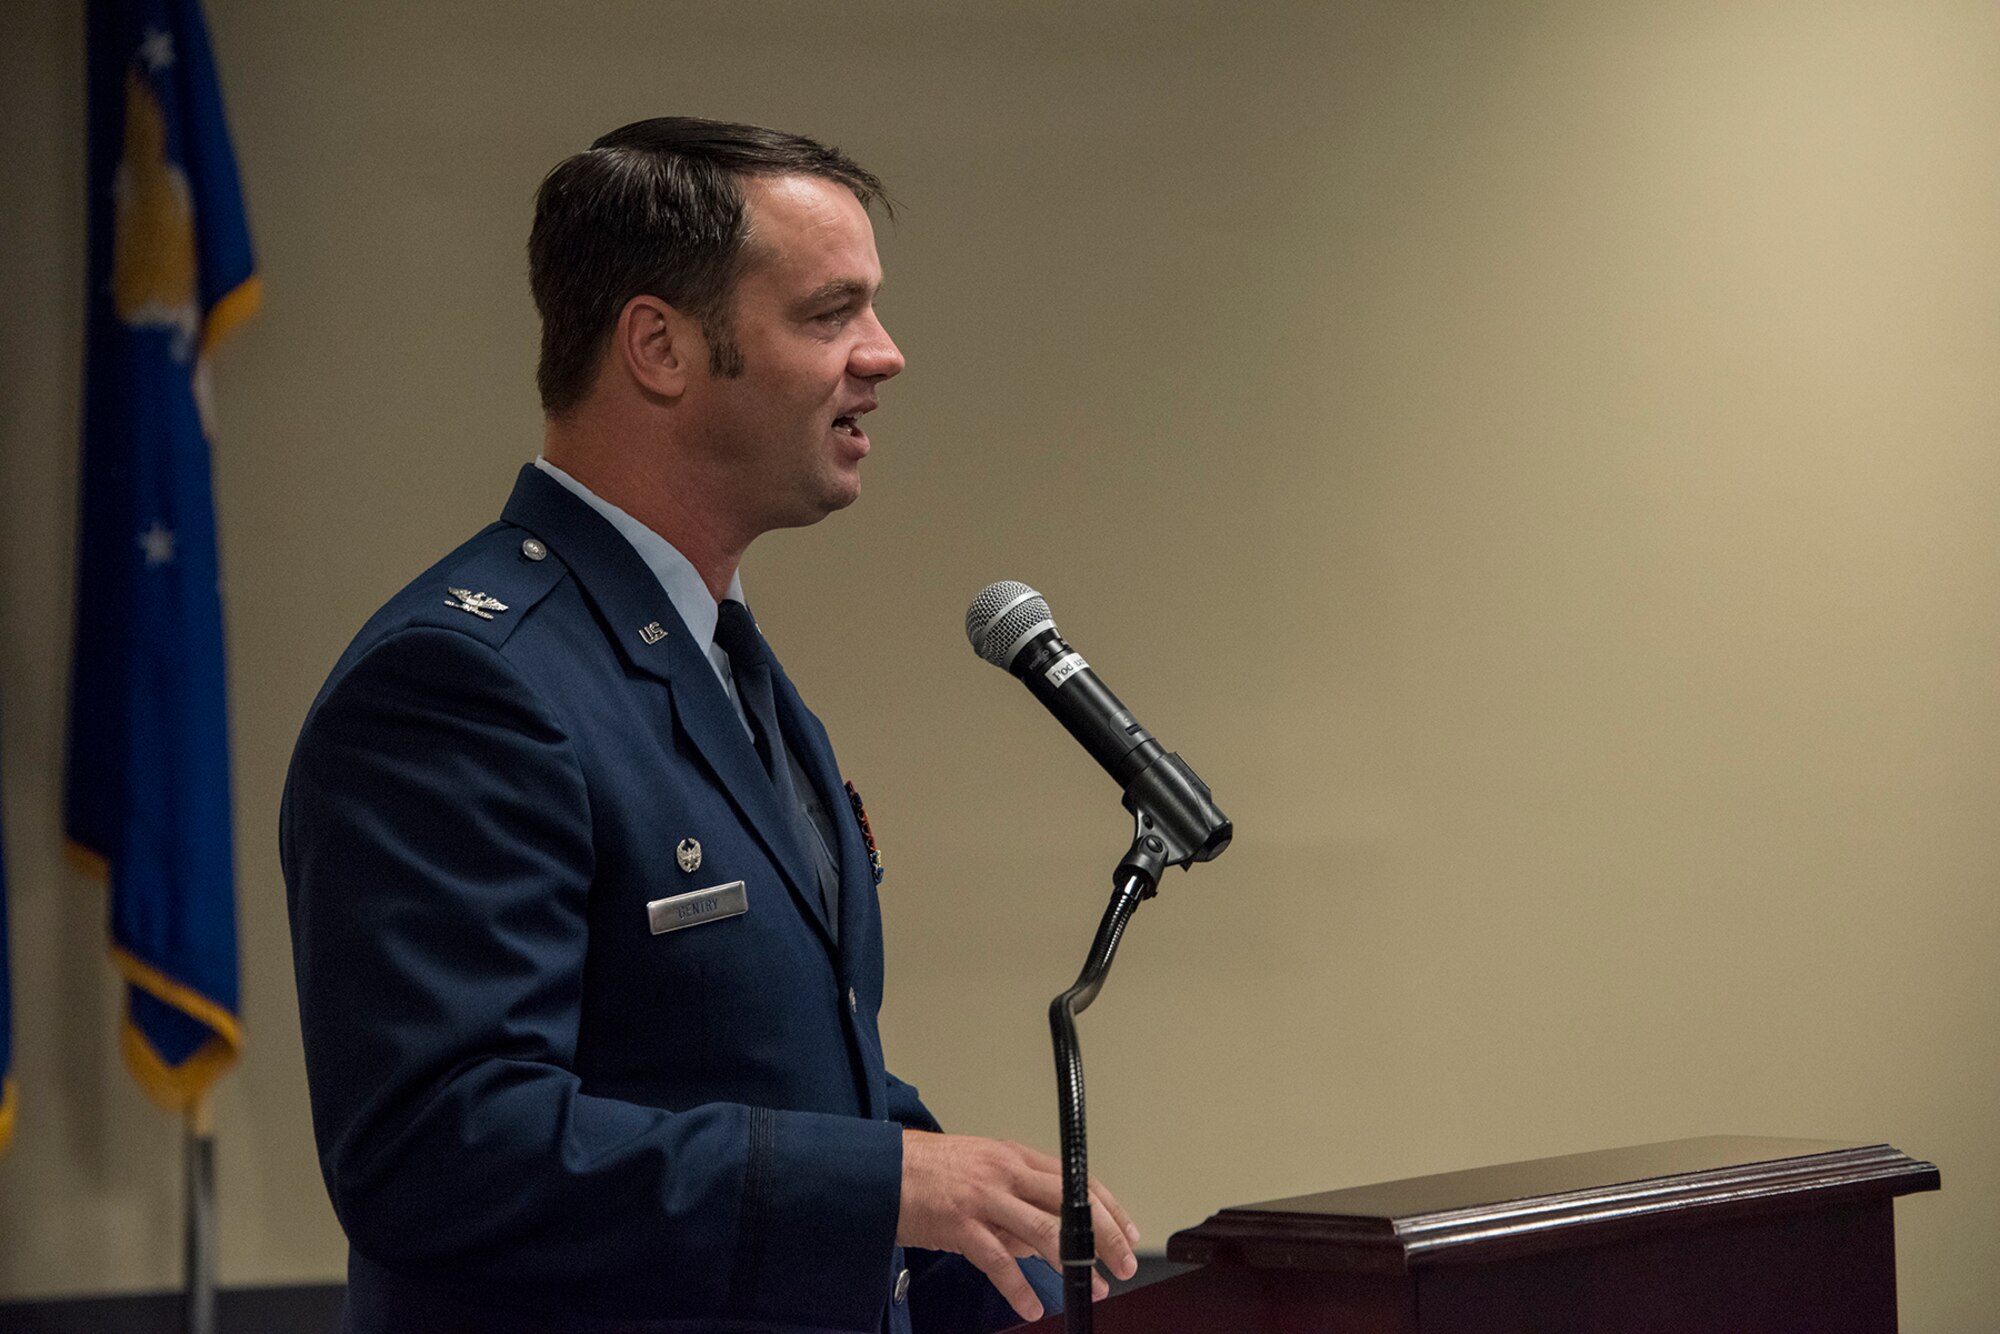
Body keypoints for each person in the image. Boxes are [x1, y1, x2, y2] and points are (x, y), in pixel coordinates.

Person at [281, 118, 1139, 1334]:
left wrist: (1031, 1286)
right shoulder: (464, 680)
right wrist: (888, 1180)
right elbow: (438, 1147)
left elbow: (779, 1081)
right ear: (659, 346)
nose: (883, 355)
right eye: (830, 311)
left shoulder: (715, 655)